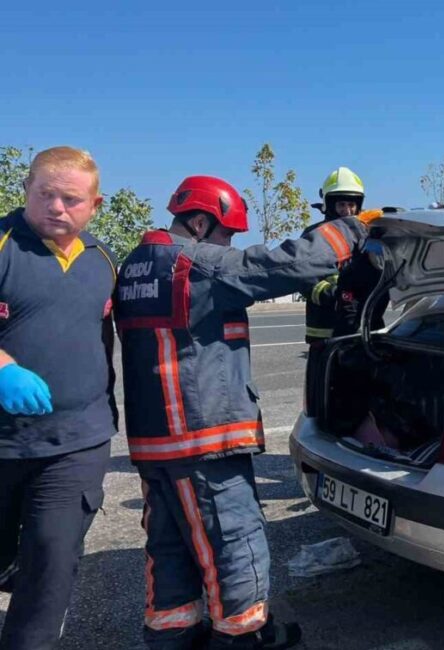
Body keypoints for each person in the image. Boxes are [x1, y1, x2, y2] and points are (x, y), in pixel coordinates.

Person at [115, 176, 377, 650]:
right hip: (203, 436)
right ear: (199, 222)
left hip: (155, 442)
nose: (229, 246)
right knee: (235, 539)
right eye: (227, 235)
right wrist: (354, 229)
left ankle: (174, 634)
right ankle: (245, 635)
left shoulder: (135, 266)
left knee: (170, 546)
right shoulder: (194, 265)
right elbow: (288, 263)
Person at [0, 147, 119, 649]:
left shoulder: (102, 260)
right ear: (26, 188)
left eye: (71, 198)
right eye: (45, 194)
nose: (56, 207)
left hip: (76, 442)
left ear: (94, 204)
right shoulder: (5, 244)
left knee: (50, 565)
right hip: (4, 445)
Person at [303, 167, 368, 345]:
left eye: (351, 205)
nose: (347, 210)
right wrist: (331, 293)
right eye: (341, 205)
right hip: (323, 328)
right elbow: (303, 278)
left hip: (358, 326)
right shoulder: (315, 234)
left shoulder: (366, 235)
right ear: (330, 205)